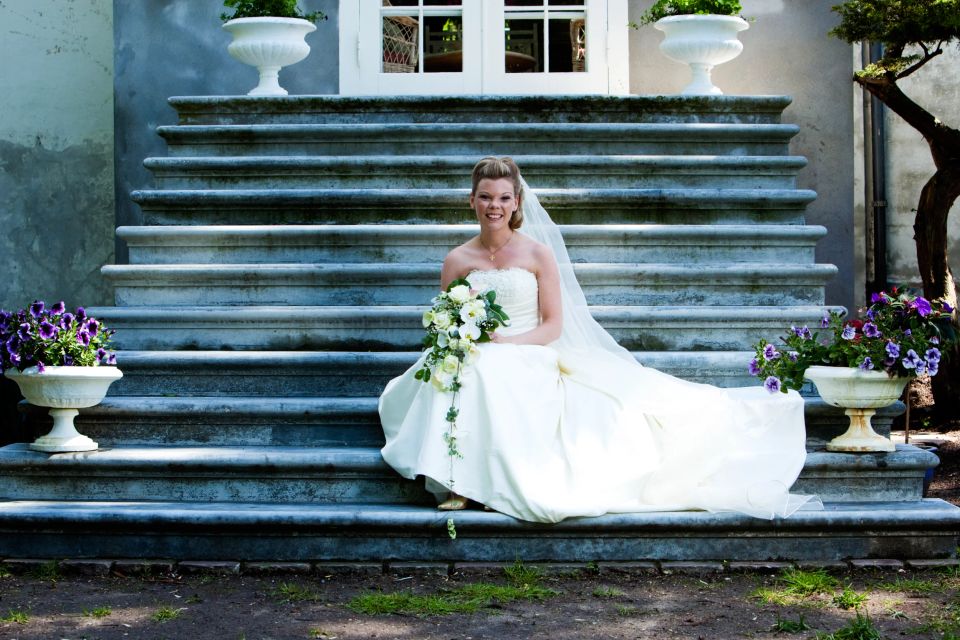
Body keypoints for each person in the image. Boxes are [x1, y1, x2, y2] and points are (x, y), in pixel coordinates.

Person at [378, 156, 818, 523]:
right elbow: (447, 320)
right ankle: (460, 481)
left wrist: (508, 345)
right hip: (478, 352)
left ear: (516, 203)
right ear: (471, 200)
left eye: (504, 198)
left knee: (491, 369)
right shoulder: (457, 259)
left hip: (532, 349)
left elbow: (553, 325)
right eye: (486, 197)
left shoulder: (536, 253)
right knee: (463, 369)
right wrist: (462, 340)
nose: (495, 206)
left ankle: (486, 483)